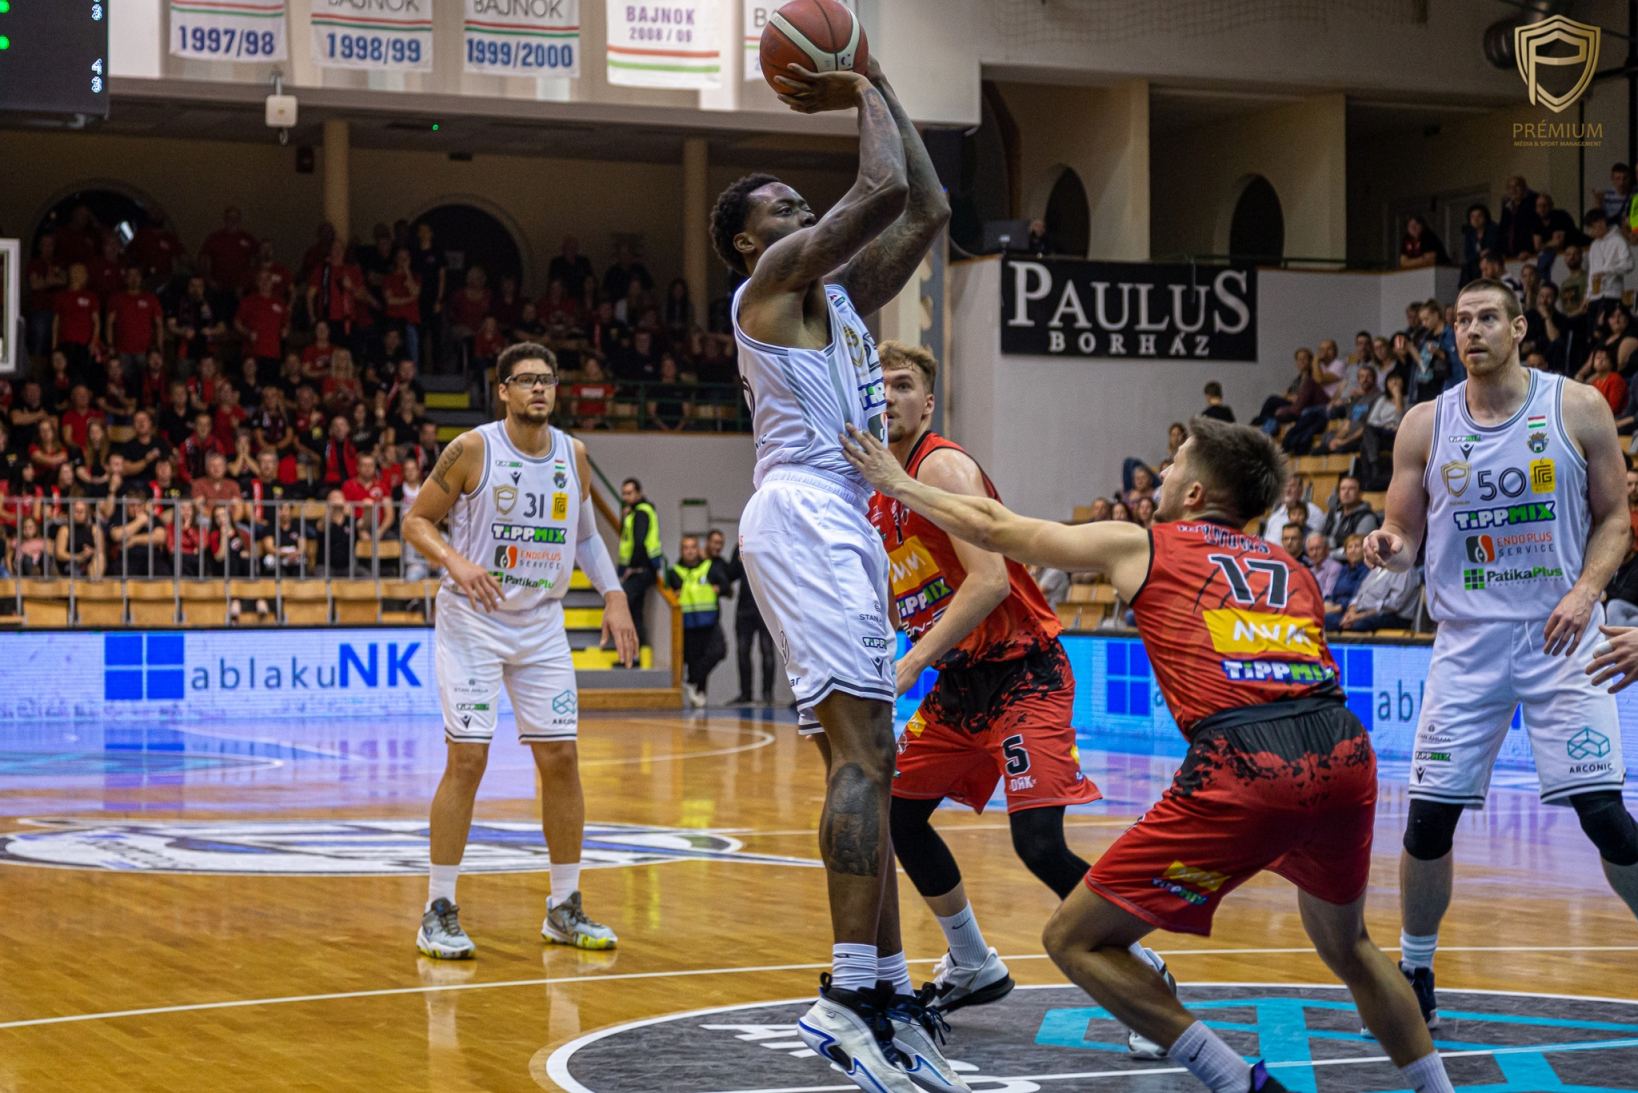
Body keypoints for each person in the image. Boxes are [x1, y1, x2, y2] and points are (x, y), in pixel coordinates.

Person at [841, 415, 1455, 1093]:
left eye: (1174, 463)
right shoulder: (1292, 570)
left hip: (1246, 760)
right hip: (1343, 750)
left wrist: (899, 482)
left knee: (1072, 937)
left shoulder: (1143, 544)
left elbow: (993, 527)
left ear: (1194, 493)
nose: (1161, 473)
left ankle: (1237, 1081)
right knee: (1353, 948)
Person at [710, 49, 956, 1091]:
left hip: (839, 518)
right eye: (782, 207)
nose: (802, 212)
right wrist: (857, 83)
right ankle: (849, 994)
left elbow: (928, 205)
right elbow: (882, 186)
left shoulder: (841, 302)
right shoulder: (768, 287)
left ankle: (887, 993)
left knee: (872, 763)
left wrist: (883, 83)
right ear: (747, 241)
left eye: (802, 204)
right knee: (863, 758)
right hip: (806, 514)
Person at [865, 341, 1173, 1055]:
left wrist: (910, 662)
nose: (889, 395)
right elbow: (907, 590)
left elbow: (990, 581)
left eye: (903, 384)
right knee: (898, 816)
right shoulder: (879, 490)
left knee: (1038, 844)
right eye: (879, 385)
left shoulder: (940, 467)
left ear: (928, 404)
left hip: (1023, 672)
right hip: (962, 685)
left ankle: (1142, 971)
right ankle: (972, 960)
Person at [1364, 278, 1638, 1029]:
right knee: (1428, 821)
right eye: (1461, 320)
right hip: (1468, 643)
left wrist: (1586, 590)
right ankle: (1416, 968)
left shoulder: (1577, 406)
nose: (1472, 330)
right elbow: (1404, 533)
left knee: (1605, 816)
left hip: (1562, 635)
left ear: (1519, 327)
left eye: (1487, 317)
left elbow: (1616, 519)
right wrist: (1389, 546)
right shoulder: (1426, 423)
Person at [404, 342, 638, 961]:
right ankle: (437, 909)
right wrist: (456, 561)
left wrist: (614, 596)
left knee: (561, 757)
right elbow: (417, 521)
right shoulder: (472, 449)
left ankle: (564, 907)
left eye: (547, 379)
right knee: (468, 758)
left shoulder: (573, 454)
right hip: (473, 618)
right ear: (502, 390)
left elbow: (585, 537)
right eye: (526, 379)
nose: (539, 388)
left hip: (540, 622)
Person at [666, 533, 732, 708]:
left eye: (693, 547)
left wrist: (718, 588)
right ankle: (698, 696)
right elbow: (667, 594)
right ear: (681, 551)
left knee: (718, 652)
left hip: (709, 622)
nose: (689, 551)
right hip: (687, 625)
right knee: (693, 660)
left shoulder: (709, 568)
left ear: (699, 549)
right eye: (686, 548)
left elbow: (726, 586)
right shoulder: (674, 573)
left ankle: (691, 681)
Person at [726, 537, 777, 705]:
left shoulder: (771, 545)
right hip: (745, 608)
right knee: (742, 651)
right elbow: (731, 574)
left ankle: (767, 694)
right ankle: (745, 694)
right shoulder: (741, 546)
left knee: (767, 650)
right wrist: (738, 559)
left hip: (766, 606)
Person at [617, 478, 662, 653]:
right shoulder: (634, 512)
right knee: (635, 612)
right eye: (624, 493)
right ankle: (637, 651)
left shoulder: (641, 512)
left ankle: (632, 650)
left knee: (624, 605)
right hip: (641, 569)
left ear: (639, 493)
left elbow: (639, 542)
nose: (626, 497)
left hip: (641, 569)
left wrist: (632, 568)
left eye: (629, 493)